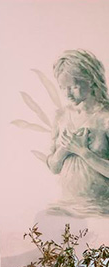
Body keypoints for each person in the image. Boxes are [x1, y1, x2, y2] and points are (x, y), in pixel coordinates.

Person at [46, 49, 109, 213]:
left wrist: (83, 152)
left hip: (101, 208)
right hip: (67, 205)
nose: (67, 94)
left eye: (74, 87)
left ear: (91, 80)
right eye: (63, 87)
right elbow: (53, 167)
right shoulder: (61, 116)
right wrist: (64, 149)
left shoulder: (105, 118)